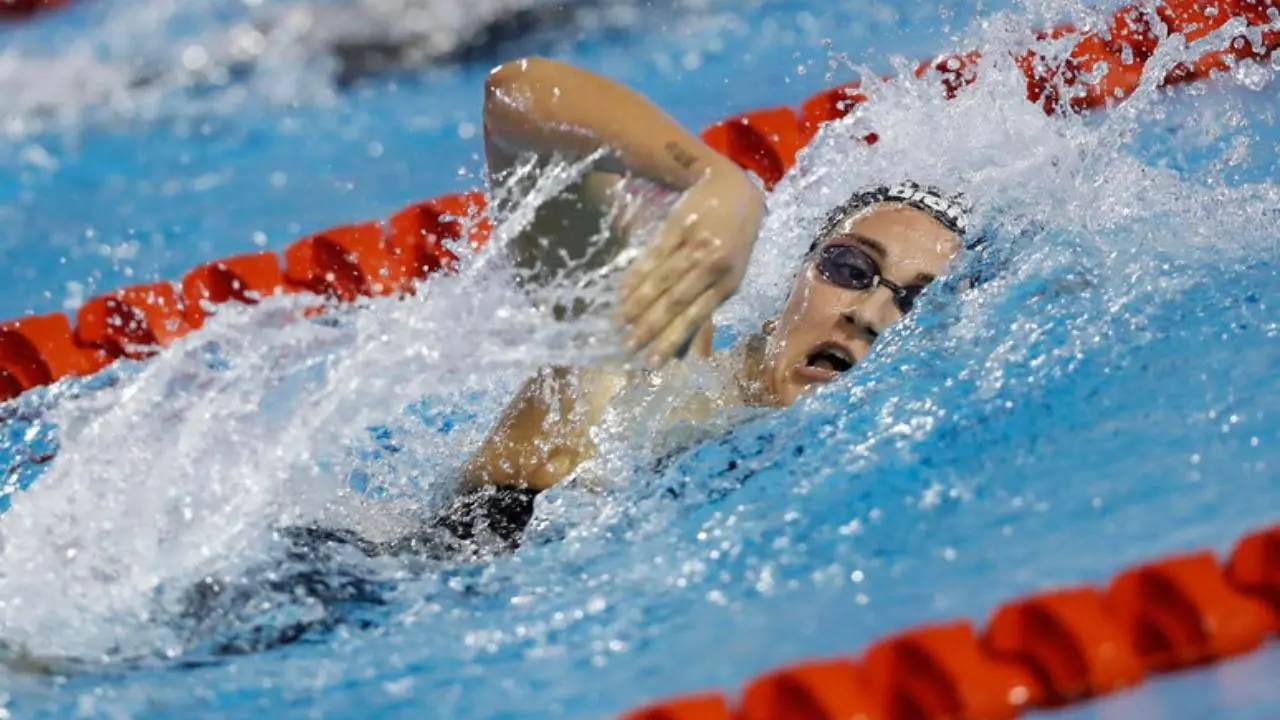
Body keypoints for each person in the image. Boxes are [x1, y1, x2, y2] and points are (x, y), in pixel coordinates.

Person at [422, 56, 977, 549]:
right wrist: (715, 184)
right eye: (851, 269)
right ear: (794, 279)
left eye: (917, 301)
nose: (868, 314)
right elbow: (518, 92)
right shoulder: (658, 361)